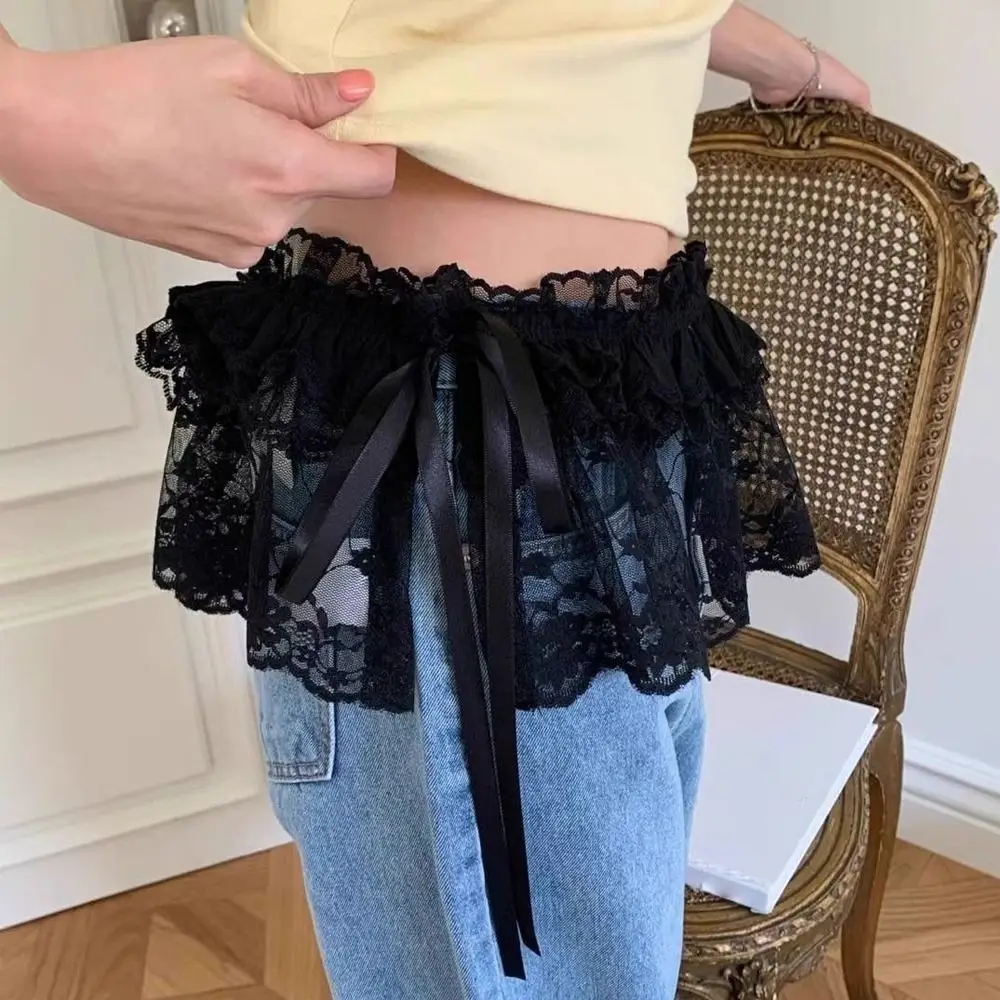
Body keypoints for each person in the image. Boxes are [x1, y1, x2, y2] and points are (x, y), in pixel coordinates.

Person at [0, 6, 869, 999]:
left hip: (618, 399)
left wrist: (767, 54)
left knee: (610, 928)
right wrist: (21, 106)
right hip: (441, 449)